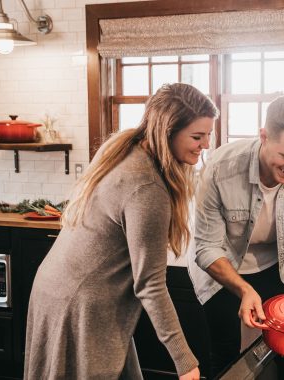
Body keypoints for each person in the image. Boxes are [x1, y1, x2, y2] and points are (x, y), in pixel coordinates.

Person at [24, 83, 219, 380]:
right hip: (82, 304)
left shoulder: (127, 149)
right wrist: (185, 361)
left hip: (58, 289)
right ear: (168, 131)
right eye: (197, 136)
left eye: (208, 134)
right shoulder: (147, 187)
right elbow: (150, 285)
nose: (205, 144)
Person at [190, 93, 284, 376]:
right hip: (221, 267)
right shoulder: (221, 168)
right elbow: (206, 247)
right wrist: (244, 289)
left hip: (274, 265)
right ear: (264, 136)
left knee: (283, 351)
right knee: (228, 353)